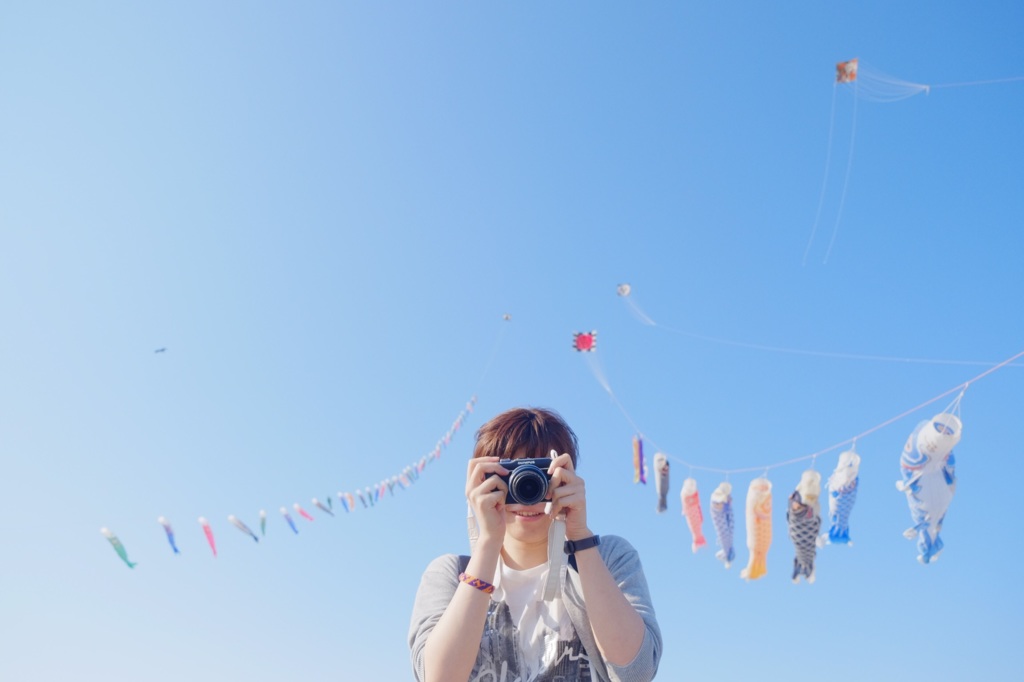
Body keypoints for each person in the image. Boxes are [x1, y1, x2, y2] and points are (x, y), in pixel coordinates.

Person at [409, 407, 662, 682]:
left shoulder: (609, 558)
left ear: (567, 477)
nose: (526, 491)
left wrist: (580, 535)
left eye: (541, 475)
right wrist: (487, 541)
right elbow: (438, 679)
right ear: (480, 482)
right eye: (510, 476)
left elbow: (637, 673)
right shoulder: (450, 574)